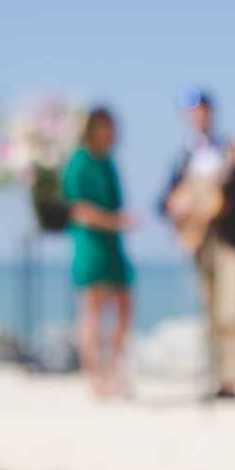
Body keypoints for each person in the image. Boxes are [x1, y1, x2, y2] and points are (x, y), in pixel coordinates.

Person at [162, 87, 235, 400]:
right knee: (209, 312)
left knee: (231, 312)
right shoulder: (185, 156)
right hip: (200, 242)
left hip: (231, 239)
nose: (197, 117)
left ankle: (232, 380)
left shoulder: (230, 148)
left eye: (202, 110)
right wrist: (176, 207)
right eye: (191, 111)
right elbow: (165, 200)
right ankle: (214, 377)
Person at [63, 107, 137, 399]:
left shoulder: (108, 161)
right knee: (91, 309)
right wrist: (112, 221)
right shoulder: (78, 163)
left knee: (123, 307)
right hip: (90, 243)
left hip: (113, 243)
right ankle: (94, 377)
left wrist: (117, 223)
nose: (112, 134)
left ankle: (114, 370)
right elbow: (76, 209)